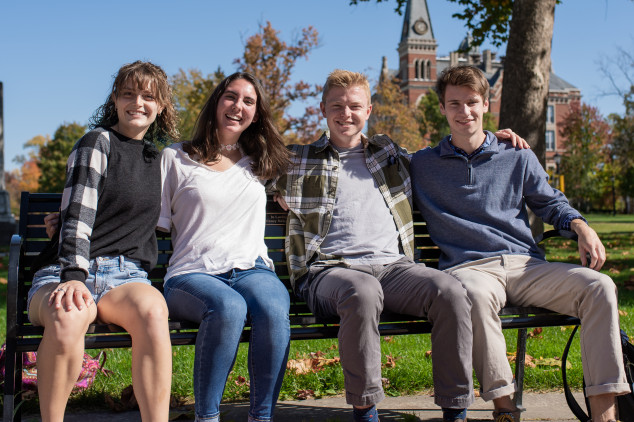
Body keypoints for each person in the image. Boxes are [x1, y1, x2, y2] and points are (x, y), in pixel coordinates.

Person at [270, 69, 527, 422]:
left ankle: (455, 410)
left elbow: (443, 156)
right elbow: (242, 170)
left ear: (369, 110)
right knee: (362, 291)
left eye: (355, 106)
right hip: (329, 272)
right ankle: (366, 410)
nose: (346, 114)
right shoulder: (297, 158)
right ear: (323, 109)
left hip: (394, 268)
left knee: (451, 291)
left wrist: (487, 138)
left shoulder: (389, 153)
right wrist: (273, 191)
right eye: (337, 106)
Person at [411, 64, 629, 422]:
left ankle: (604, 416)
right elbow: (370, 160)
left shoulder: (516, 155)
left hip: (525, 265)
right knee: (474, 297)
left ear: (485, 104)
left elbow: (550, 202)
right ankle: (506, 410)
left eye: (471, 102)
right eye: (454, 104)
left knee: (599, 287)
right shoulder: (421, 164)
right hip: (470, 270)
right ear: (442, 108)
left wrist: (581, 226)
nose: (463, 111)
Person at [27, 61, 178, 422]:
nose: (137, 103)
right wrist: (74, 274)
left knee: (154, 311)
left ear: (161, 106)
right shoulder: (97, 142)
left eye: (148, 96)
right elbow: (79, 213)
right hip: (66, 271)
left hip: (123, 277)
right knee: (69, 316)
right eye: (128, 94)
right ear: (115, 99)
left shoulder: (158, 159)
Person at [158, 72, 292, 422]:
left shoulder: (262, 163)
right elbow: (143, 215)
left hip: (252, 269)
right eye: (231, 97)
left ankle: (261, 417)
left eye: (249, 101)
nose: (238, 106)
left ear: (257, 114)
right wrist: (64, 218)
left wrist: (286, 194)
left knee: (275, 308)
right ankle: (208, 416)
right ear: (217, 102)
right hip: (191, 274)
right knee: (229, 308)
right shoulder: (175, 158)